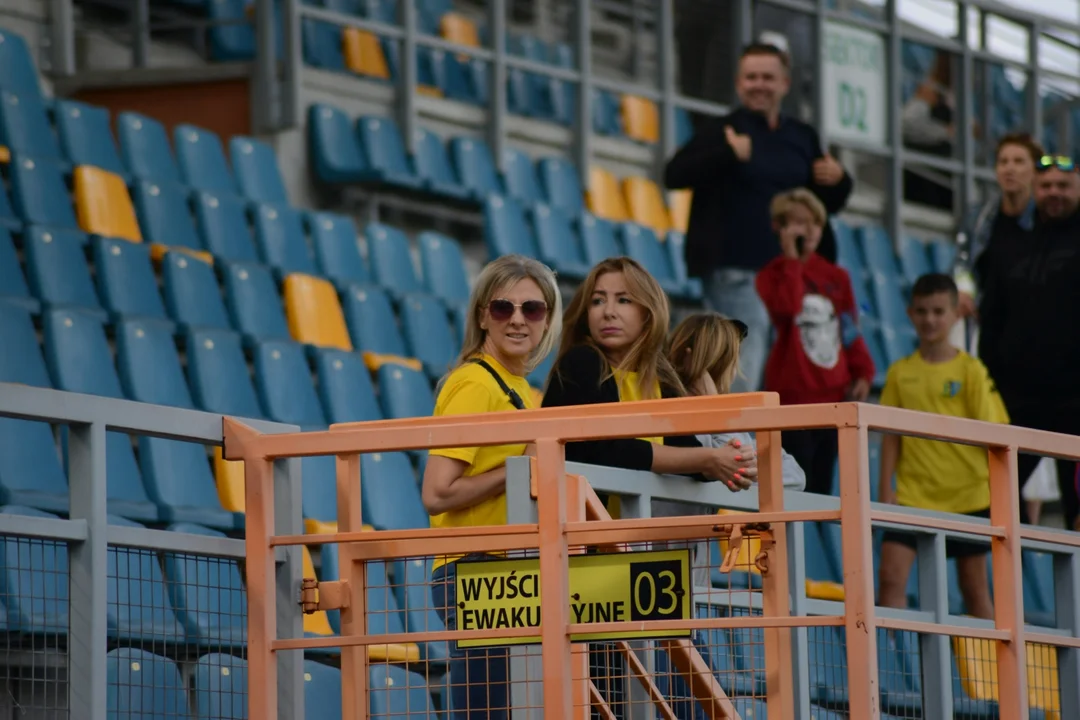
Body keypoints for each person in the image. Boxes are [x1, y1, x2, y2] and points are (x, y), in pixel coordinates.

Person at [664, 42, 853, 393]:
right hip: (737, 274)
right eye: (751, 77)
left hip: (794, 275)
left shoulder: (802, 137)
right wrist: (726, 154)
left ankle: (764, 445)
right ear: (738, 83)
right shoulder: (723, 130)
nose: (759, 84)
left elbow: (826, 204)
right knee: (742, 369)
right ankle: (736, 444)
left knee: (785, 371)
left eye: (768, 77)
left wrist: (840, 180)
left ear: (784, 83)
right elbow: (673, 174)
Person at [422, 254, 561, 720]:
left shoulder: (526, 392)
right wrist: (517, 470)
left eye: (533, 310)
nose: (518, 319)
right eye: (503, 308)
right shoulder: (474, 384)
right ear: (483, 315)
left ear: (547, 321)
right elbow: (437, 492)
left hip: (511, 571)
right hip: (475, 569)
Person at [541, 257, 757, 490]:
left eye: (623, 300)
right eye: (597, 301)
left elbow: (687, 453)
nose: (608, 312)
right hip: (572, 520)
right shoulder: (582, 360)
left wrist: (731, 459)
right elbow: (609, 450)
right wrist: (709, 459)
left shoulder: (661, 380)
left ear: (647, 313)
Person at [877, 274, 1008, 619]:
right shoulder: (899, 373)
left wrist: (999, 493)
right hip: (912, 496)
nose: (930, 319)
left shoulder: (971, 371)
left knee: (974, 588)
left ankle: (994, 674)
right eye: (922, 311)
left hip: (968, 497)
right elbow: (889, 433)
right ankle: (890, 670)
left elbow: (998, 435)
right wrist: (883, 486)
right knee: (889, 580)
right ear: (909, 313)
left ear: (955, 314)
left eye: (938, 311)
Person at [977, 156, 1080, 529]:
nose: (1054, 194)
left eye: (1064, 186)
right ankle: (1015, 584)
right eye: (1047, 186)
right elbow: (992, 314)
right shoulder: (1014, 243)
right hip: (1019, 401)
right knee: (1000, 498)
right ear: (1035, 189)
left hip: (1075, 401)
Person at [755, 189, 875, 495]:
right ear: (779, 229)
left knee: (823, 484)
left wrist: (863, 370)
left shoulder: (836, 275)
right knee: (797, 482)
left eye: (813, 223)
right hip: (792, 398)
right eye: (796, 222)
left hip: (833, 395)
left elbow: (848, 326)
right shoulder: (770, 275)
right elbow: (785, 308)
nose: (807, 230)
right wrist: (792, 261)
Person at [666, 312, 806, 491]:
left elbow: (796, 476)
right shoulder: (675, 422)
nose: (735, 371)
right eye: (731, 359)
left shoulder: (727, 423)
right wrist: (714, 407)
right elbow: (737, 468)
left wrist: (715, 407)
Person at [955, 133, 1040, 344]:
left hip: (1032, 331)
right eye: (1003, 162)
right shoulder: (979, 218)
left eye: (1019, 161)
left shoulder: (1047, 221)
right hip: (988, 328)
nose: (1009, 168)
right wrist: (964, 291)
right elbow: (962, 264)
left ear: (1035, 171)